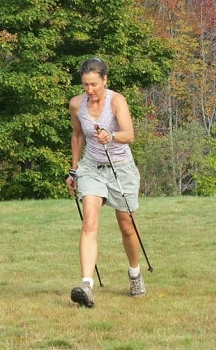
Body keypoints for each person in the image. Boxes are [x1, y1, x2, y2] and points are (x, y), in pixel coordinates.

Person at [66, 57, 146, 308]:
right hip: (91, 168)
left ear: (104, 80)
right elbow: (78, 135)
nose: (89, 90)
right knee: (89, 221)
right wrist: (74, 170)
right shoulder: (77, 104)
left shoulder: (117, 101)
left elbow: (129, 134)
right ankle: (86, 285)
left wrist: (111, 135)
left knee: (127, 226)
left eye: (94, 85)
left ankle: (134, 273)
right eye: (85, 85)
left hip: (120, 168)